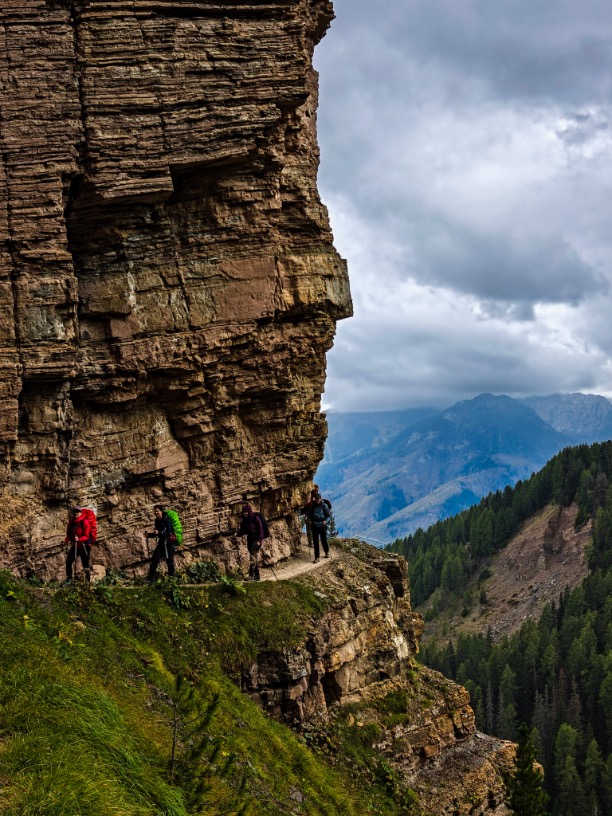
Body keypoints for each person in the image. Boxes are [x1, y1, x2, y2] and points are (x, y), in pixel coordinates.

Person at [146, 504, 176, 582]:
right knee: (155, 559)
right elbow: (157, 533)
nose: (156, 512)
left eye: (157, 511)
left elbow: (169, 533)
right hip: (162, 542)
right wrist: (149, 535)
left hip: (169, 543)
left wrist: (159, 532)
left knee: (169, 561)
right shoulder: (156, 521)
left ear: (161, 511)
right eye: (155, 511)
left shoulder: (167, 520)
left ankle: (172, 579)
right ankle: (150, 579)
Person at [64, 506, 92, 584]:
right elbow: (69, 534)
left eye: (78, 512)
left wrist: (79, 539)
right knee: (68, 561)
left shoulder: (85, 522)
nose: (76, 513)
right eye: (75, 512)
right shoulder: (72, 522)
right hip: (76, 545)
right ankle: (69, 578)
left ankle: (87, 581)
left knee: (85, 564)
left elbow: (87, 535)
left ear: (81, 513)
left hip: (85, 545)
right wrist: (66, 540)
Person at [238, 503, 264, 580]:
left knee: (252, 556)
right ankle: (257, 575)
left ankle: (251, 575)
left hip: (256, 540)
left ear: (249, 512)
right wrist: (237, 534)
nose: (245, 513)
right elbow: (242, 531)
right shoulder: (244, 520)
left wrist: (259, 540)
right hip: (250, 540)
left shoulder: (256, 519)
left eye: (246, 512)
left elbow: (261, 530)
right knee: (254, 557)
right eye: (244, 512)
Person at [306, 493, 331, 563]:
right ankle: (317, 557)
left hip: (322, 525)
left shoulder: (324, 506)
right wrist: (307, 517)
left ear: (320, 499)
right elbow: (309, 513)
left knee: (324, 540)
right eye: (316, 499)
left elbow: (328, 516)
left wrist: (326, 521)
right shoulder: (312, 506)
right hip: (314, 525)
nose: (317, 500)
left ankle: (327, 552)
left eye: (318, 499)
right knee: (316, 542)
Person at [300, 484, 319, 549]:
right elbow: (306, 505)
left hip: (314, 515)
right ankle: (310, 542)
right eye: (315, 490)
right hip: (309, 515)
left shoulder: (316, 497)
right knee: (309, 529)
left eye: (317, 490)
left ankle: (313, 542)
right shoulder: (309, 497)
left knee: (313, 529)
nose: (316, 491)